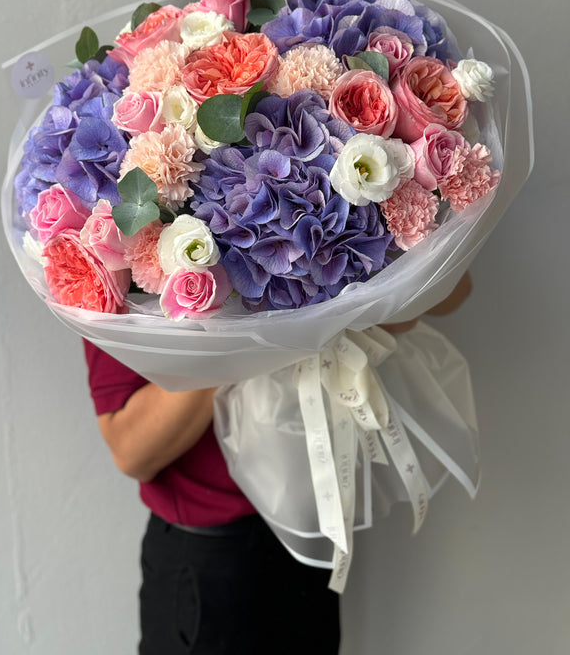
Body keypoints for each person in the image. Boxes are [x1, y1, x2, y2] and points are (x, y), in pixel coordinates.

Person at [84, 271, 473, 654]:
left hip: (314, 521)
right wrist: (248, 330)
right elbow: (131, 450)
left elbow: (457, 287)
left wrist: (345, 300)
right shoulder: (107, 251)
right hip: (208, 560)